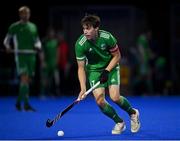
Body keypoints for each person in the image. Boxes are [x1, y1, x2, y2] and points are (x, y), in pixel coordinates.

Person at [75, 14, 140, 134]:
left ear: (96, 28)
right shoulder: (80, 44)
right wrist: (83, 88)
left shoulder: (107, 37)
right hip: (94, 70)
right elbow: (81, 68)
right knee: (99, 101)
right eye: (83, 28)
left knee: (114, 97)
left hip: (111, 66)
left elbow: (117, 56)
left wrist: (107, 71)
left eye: (88, 28)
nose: (85, 32)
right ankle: (119, 122)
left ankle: (133, 113)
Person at [3, 6, 42, 111]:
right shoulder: (14, 27)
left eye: (27, 13)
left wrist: (38, 46)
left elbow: (37, 40)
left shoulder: (33, 27)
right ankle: (25, 104)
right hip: (20, 56)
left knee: (27, 81)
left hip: (31, 56)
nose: (25, 15)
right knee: (24, 79)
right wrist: (7, 47)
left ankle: (20, 103)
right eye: (23, 13)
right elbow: (6, 40)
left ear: (29, 14)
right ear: (20, 15)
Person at [40, 27, 59, 98]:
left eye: (52, 33)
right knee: (44, 78)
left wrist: (57, 60)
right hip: (46, 62)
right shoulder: (44, 41)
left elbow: (57, 52)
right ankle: (42, 93)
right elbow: (41, 52)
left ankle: (49, 93)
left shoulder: (56, 41)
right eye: (50, 33)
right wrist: (42, 62)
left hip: (53, 63)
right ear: (48, 33)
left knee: (51, 79)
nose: (51, 34)